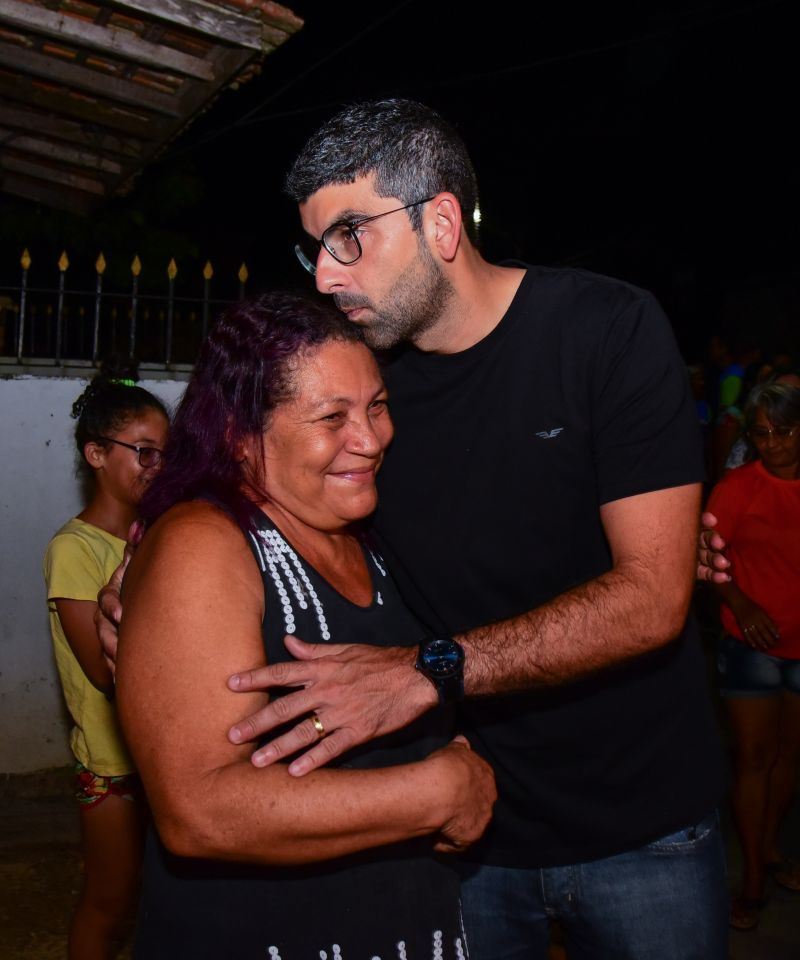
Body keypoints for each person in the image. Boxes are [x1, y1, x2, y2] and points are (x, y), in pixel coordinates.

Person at [99, 99, 729, 958]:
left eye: (349, 234)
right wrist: (149, 566)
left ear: (439, 221)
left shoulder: (603, 331)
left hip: (641, 821)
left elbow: (651, 598)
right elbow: (239, 454)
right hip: (460, 839)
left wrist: (428, 673)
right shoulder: (365, 384)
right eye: (315, 245)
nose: (325, 273)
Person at [113, 292, 496, 959]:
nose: (372, 439)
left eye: (377, 406)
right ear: (239, 433)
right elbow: (199, 809)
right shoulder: (206, 544)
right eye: (333, 416)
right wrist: (437, 789)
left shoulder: (371, 531)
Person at [43, 361, 169, 960]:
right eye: (143, 452)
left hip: (160, 756)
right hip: (114, 766)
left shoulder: (160, 535)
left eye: (164, 454)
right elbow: (102, 667)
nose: (157, 468)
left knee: (157, 904)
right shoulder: (76, 549)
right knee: (109, 904)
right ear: (97, 454)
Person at [705, 382, 800, 931]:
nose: (773, 444)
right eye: (761, 433)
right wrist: (741, 603)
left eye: (784, 431)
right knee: (754, 759)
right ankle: (754, 881)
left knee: (789, 756)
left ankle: (767, 847)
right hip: (751, 647)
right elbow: (707, 559)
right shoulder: (739, 488)